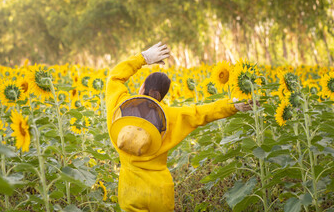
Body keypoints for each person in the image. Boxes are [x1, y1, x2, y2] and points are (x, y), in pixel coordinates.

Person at [105, 42, 255, 211]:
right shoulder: (170, 117)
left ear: (142, 88)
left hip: (130, 191)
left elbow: (114, 78)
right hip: (159, 191)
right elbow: (200, 113)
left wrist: (144, 58)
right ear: (162, 96)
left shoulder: (119, 105)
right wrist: (232, 105)